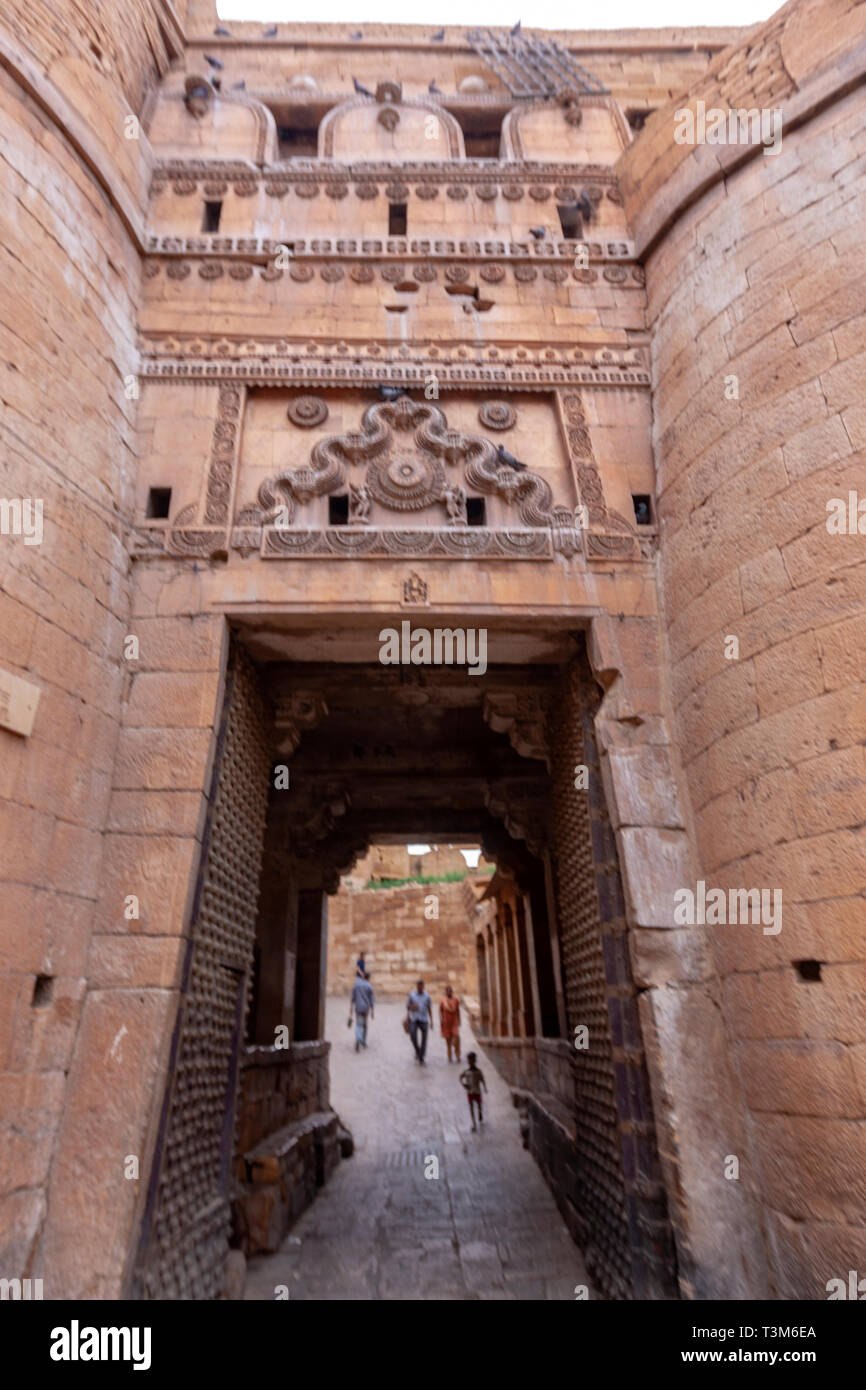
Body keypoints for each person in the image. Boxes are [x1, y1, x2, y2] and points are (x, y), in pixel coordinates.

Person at [406, 978, 433, 1065]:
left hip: (424, 1019)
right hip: (414, 1019)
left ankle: (421, 1057)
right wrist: (411, 1008)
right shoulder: (412, 995)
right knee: (412, 1035)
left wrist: (431, 1020)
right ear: (417, 986)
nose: (420, 988)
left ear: (423, 986)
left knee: (424, 1040)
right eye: (419, 986)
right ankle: (418, 1050)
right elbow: (407, 1006)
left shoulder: (427, 996)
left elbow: (429, 1008)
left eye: (421, 986)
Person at [459, 1052, 488, 1131]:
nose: (469, 1062)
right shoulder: (466, 1071)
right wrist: (463, 1084)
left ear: (474, 1061)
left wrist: (485, 1088)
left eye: (470, 1060)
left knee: (479, 1105)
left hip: (477, 1091)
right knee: (471, 1106)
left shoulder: (478, 1071)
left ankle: (480, 1113)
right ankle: (474, 1123)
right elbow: (460, 1077)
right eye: (469, 1060)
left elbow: (482, 1079)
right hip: (470, 1092)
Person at [348, 972, 374, 1052]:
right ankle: (363, 1041)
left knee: (358, 1025)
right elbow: (371, 1000)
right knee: (365, 1025)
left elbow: (352, 998)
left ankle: (358, 1040)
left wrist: (351, 1011)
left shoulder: (356, 985)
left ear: (363, 977)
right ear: (368, 978)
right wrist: (373, 1012)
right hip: (366, 1008)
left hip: (358, 1007)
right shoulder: (369, 986)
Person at [439, 984, 461, 1063]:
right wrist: (441, 1021)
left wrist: (459, 1020)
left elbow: (458, 1010)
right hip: (446, 1023)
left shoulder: (456, 1000)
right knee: (448, 1041)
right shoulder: (443, 1001)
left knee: (456, 1038)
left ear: (452, 991)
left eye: (450, 990)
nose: (449, 992)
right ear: (445, 992)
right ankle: (450, 1056)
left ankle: (457, 1054)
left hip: (454, 1022)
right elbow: (440, 1011)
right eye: (447, 991)